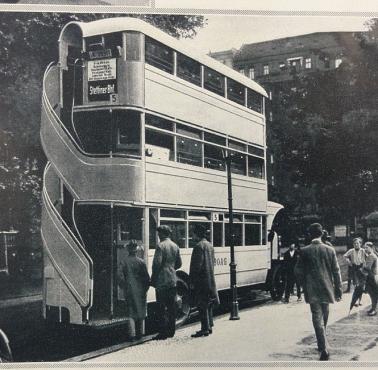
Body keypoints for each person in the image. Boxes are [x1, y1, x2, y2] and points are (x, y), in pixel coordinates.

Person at [295, 223, 342, 361]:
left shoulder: (304, 251)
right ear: (322, 234)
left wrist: (304, 284)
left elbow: (298, 271)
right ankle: (323, 343)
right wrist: (338, 289)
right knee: (325, 314)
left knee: (317, 317)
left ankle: (323, 346)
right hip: (327, 288)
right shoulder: (330, 250)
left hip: (312, 288)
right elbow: (336, 271)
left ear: (310, 235)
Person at [151, 225, 182, 340]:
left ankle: (163, 332)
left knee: (161, 306)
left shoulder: (160, 246)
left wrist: (154, 278)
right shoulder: (175, 245)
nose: (158, 235)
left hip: (162, 280)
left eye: (159, 233)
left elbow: (156, 264)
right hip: (173, 279)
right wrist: (171, 268)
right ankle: (171, 331)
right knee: (171, 306)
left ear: (164, 234)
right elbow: (179, 263)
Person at [189, 225, 219, 338]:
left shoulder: (198, 246)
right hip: (209, 277)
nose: (192, 236)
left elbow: (197, 266)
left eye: (193, 234)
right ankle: (209, 326)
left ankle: (204, 328)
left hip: (201, 280)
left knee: (202, 305)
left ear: (197, 234)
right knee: (208, 303)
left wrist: (192, 280)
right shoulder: (210, 245)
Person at [117, 240, 150, 341]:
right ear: (136, 251)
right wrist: (145, 288)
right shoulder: (141, 262)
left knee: (131, 312)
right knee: (141, 310)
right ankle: (141, 333)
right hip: (141, 290)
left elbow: (119, 275)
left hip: (129, 289)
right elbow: (146, 278)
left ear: (128, 250)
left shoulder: (124, 261)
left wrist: (124, 286)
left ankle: (132, 335)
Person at [343, 237, 366, 302]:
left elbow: (367, 257)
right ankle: (355, 300)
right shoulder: (351, 250)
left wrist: (365, 265)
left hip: (361, 268)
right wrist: (348, 261)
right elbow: (345, 256)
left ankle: (360, 301)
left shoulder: (363, 250)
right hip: (355, 268)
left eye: (357, 243)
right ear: (353, 244)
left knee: (361, 285)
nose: (356, 245)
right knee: (356, 284)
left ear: (360, 244)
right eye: (355, 243)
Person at [361, 242, 378, 316]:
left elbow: (367, 268)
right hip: (373, 276)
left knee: (373, 294)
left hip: (371, 277)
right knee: (372, 293)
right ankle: (373, 308)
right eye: (364, 247)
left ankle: (374, 309)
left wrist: (362, 268)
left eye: (366, 247)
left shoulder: (371, 256)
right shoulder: (373, 255)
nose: (365, 249)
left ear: (371, 247)